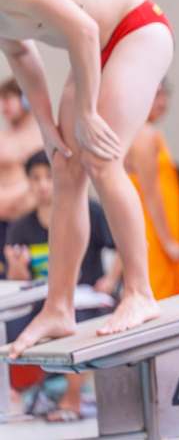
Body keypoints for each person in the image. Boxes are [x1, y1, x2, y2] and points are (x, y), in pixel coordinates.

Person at [0, 0, 173, 357]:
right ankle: (59, 306)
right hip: (94, 46)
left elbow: (83, 27)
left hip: (136, 29)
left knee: (99, 157)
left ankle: (139, 292)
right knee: (63, 166)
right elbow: (21, 53)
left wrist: (88, 112)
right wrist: (44, 123)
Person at [4, 150, 114, 422]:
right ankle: (15, 393)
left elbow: (121, 246)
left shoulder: (90, 211)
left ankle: (72, 396)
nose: (43, 185)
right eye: (36, 178)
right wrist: (17, 269)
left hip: (88, 299)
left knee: (78, 320)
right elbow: (20, 284)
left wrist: (110, 281)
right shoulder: (20, 227)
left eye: (48, 177)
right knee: (11, 325)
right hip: (44, 302)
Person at [121, 81, 179, 299]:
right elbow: (150, 193)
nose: (162, 102)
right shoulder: (143, 135)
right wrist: (168, 242)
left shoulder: (146, 133)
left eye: (164, 94)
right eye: (155, 95)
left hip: (158, 230)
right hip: (155, 235)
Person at [0, 77, 42, 276]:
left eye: (8, 99)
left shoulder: (39, 136)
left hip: (25, 224)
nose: (3, 106)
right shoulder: (4, 136)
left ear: (25, 99)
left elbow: (42, 182)